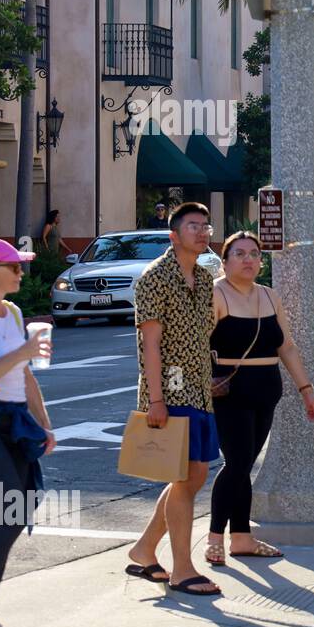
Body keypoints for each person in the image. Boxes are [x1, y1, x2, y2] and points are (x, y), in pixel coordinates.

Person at [204, 231, 314, 566]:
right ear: (224, 261)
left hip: (267, 388)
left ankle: (241, 537)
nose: (248, 260)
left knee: (245, 465)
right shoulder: (216, 294)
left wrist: (306, 389)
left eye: (254, 254)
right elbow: (199, 346)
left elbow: (285, 346)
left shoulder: (270, 296)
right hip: (230, 390)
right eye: (238, 254)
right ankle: (215, 537)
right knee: (237, 462)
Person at [126, 202, 222, 596]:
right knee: (184, 476)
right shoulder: (154, 278)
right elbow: (150, 344)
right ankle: (182, 568)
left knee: (195, 475)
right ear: (174, 234)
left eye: (205, 226)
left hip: (200, 391)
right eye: (193, 226)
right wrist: (156, 400)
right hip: (169, 391)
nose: (202, 232)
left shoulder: (202, 277)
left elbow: (204, 337)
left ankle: (145, 548)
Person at [0, 240, 54, 627]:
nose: (21, 273)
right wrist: (24, 349)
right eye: (13, 266)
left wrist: (44, 424)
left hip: (15, 422)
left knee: (19, 509)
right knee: (9, 513)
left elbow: (25, 377)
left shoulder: (14, 312)